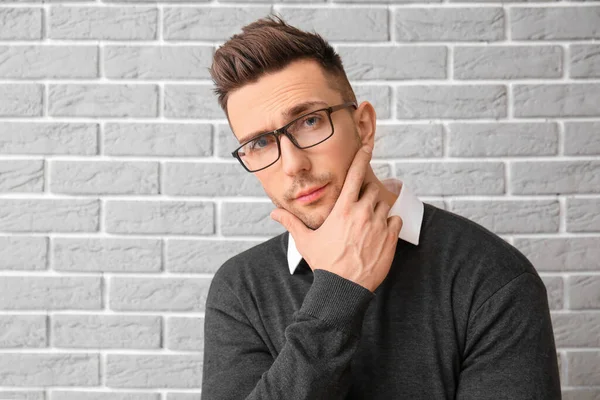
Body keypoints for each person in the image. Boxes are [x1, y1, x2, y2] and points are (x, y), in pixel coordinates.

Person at [201, 15, 561, 399]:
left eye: (309, 121)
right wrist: (338, 295)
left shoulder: (492, 277)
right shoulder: (241, 289)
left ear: (365, 126)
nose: (292, 165)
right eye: (259, 144)